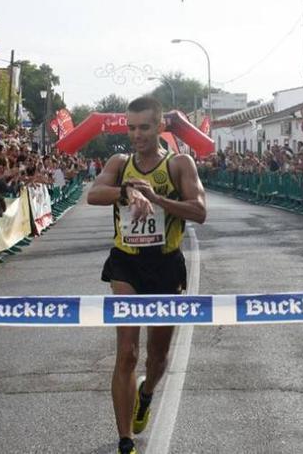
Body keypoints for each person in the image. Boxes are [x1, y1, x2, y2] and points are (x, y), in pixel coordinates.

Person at [87, 96, 206, 454]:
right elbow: (94, 194)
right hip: (126, 263)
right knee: (126, 354)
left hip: (166, 265)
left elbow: (199, 212)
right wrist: (126, 191)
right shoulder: (120, 163)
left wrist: (158, 199)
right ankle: (126, 441)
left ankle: (147, 392)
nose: (137, 135)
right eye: (132, 127)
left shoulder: (179, 164)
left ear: (160, 127)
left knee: (157, 358)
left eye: (145, 127)